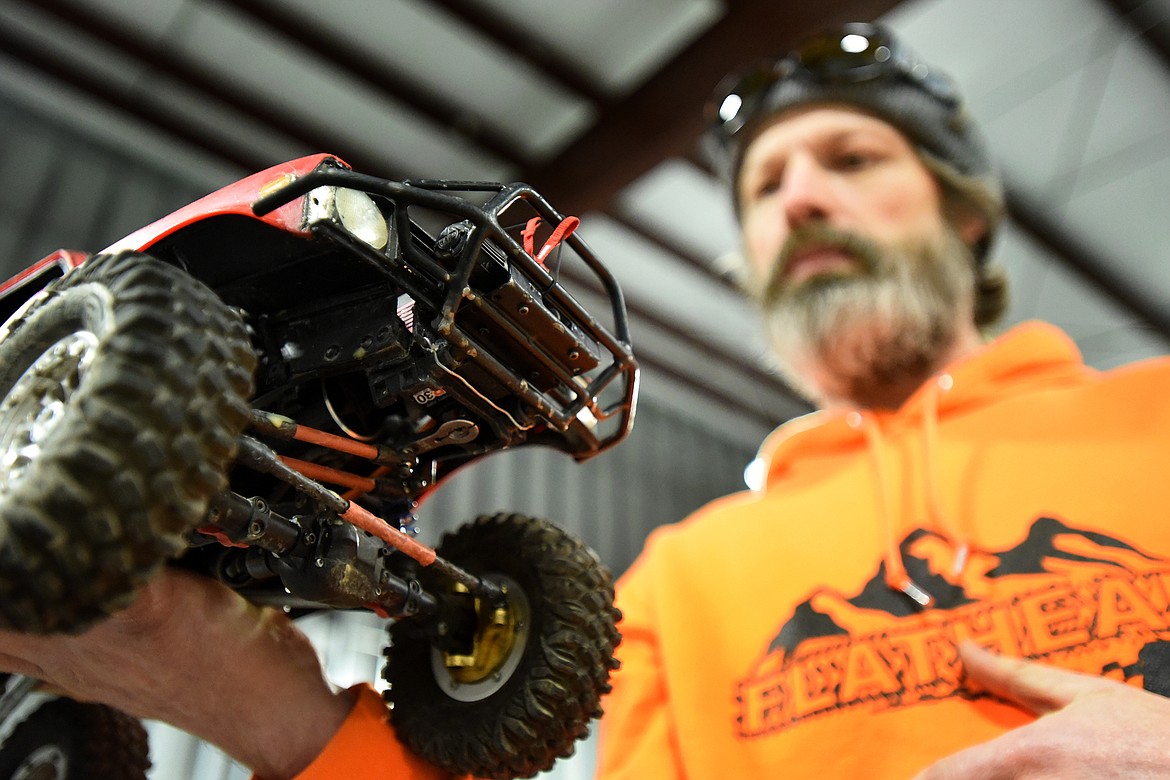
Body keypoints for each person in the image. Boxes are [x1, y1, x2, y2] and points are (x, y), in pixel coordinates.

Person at [3, 19, 1170, 780]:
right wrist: (264, 714)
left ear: (967, 212)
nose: (800, 199)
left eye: (853, 160)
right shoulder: (676, 579)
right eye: (765, 186)